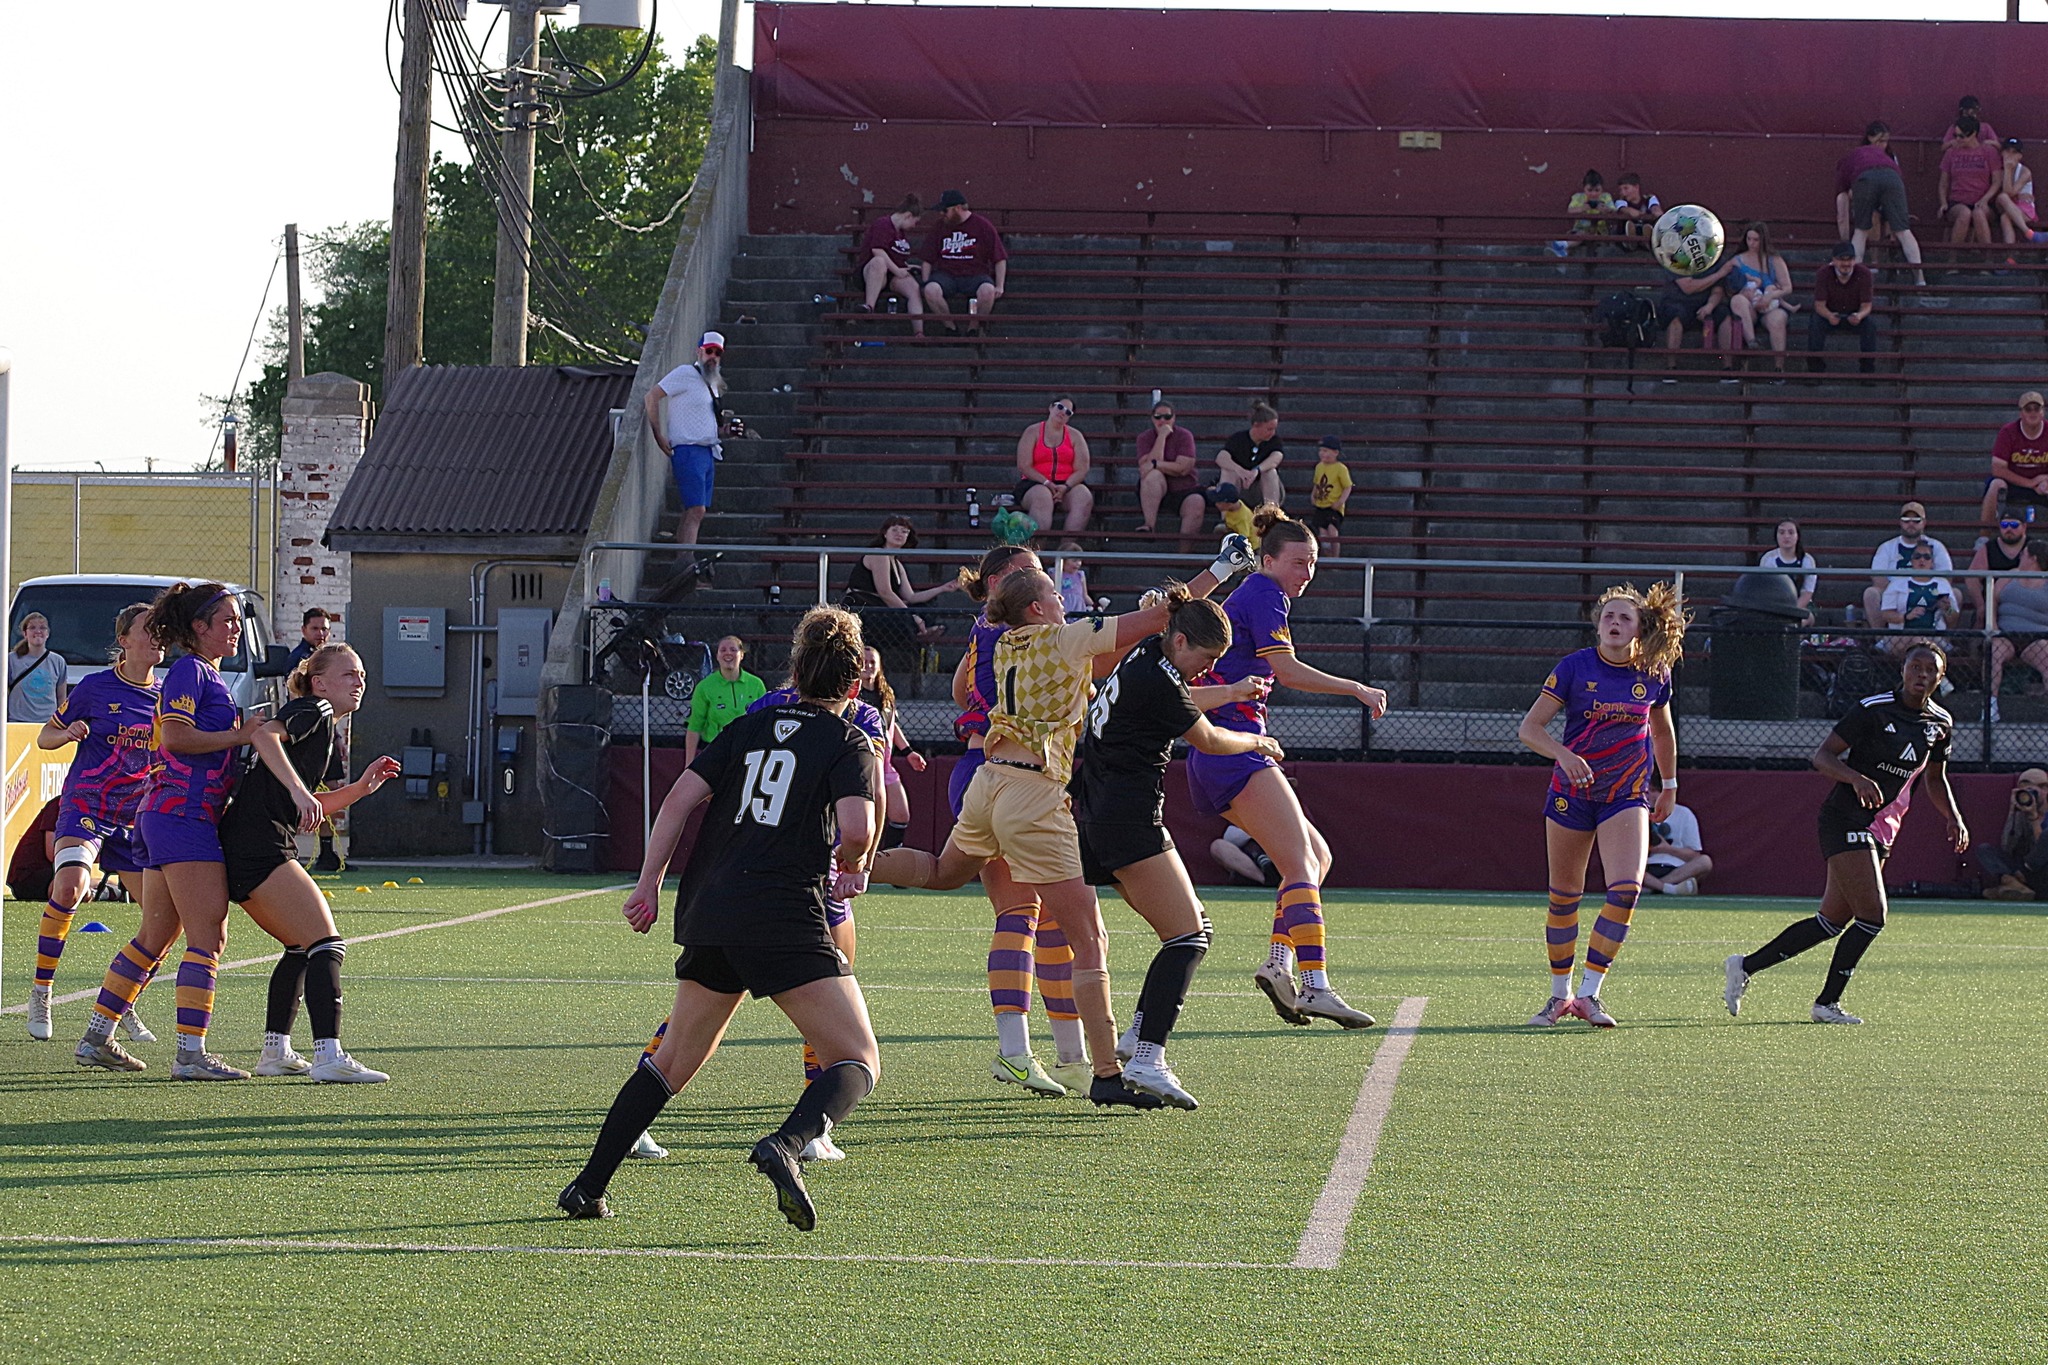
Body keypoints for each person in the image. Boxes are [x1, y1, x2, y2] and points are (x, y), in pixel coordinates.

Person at [872, 536, 1256, 1107]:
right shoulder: (1063, 639)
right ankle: (1105, 1074)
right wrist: (1202, 581)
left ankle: (847, 864)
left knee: (939, 871)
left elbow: (961, 690)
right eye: (1054, 595)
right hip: (1034, 793)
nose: (1063, 601)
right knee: (1089, 940)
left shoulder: (1000, 640)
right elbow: (1159, 621)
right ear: (1037, 607)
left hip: (987, 781)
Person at [558, 607, 882, 1228]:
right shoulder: (848, 741)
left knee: (672, 1061)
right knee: (858, 1059)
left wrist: (649, 884)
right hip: (781, 914)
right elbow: (859, 828)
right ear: (853, 683)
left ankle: (588, 1185)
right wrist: (851, 863)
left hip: (710, 905)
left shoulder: (747, 726)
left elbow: (678, 800)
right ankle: (787, 1144)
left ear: (793, 673)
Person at [1073, 594, 1285, 1109]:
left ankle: (1137, 1038)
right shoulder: (1158, 676)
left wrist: (1229, 690)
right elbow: (1208, 739)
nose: (1207, 669)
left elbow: (1181, 699)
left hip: (1098, 813)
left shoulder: (1149, 651)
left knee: (1190, 931)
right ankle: (1148, 1057)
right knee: (1189, 936)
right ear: (1183, 639)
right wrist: (1257, 742)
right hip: (1127, 818)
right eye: (1206, 659)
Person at [1187, 509, 1387, 1030]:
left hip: (1220, 749)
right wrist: (1357, 688)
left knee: (1316, 858)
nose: (1307, 573)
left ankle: (1279, 963)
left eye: (1313, 563)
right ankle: (1316, 986)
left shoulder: (1258, 593)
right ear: (1269, 560)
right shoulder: (1264, 591)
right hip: (1233, 745)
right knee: (1301, 863)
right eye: (1299, 562)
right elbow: (1288, 670)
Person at [1724, 644, 1965, 1025]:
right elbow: (1822, 756)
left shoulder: (1940, 722)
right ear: (1902, 669)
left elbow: (1936, 778)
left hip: (1883, 826)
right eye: (1914, 666)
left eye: (1930, 669)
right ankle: (1827, 1003)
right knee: (1873, 916)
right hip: (1845, 818)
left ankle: (1744, 966)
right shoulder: (1873, 709)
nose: (1921, 674)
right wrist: (1856, 778)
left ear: (1941, 677)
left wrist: (1953, 816)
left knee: (1831, 921)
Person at [128, 582, 286, 1080]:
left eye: (238, 620)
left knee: (155, 936)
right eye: (228, 620)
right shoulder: (191, 671)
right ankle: (190, 1055)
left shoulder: (204, 673)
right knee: (208, 937)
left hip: (172, 814)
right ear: (200, 627)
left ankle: (96, 1034)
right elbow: (176, 737)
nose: (236, 628)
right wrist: (240, 734)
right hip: (183, 815)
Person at [226, 644, 402, 1082]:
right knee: (327, 944)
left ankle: (275, 1051)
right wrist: (301, 792)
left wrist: (360, 788)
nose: (359, 682)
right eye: (349, 674)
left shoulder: (325, 726)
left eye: (362, 675)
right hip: (258, 843)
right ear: (320, 682)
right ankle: (329, 1056)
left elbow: (311, 803)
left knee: (301, 946)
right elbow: (263, 736)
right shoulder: (315, 708)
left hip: (252, 843)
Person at [948, 544, 1086, 1097]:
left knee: (1050, 921)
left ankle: (1070, 1055)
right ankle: (1016, 1053)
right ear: (1000, 581)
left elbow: (959, 689)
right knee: (1023, 913)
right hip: (1006, 774)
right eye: (1029, 572)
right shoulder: (1021, 632)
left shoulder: (989, 629)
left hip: (992, 770)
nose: (1042, 579)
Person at [1516, 583, 1686, 1028]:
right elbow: (1530, 729)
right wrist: (1564, 755)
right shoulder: (1575, 667)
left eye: (1625, 617)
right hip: (1571, 795)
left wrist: (1669, 785)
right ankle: (1559, 996)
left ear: (1639, 628)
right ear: (1597, 624)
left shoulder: (1654, 671)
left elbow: (1662, 733)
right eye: (1608, 615)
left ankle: (1590, 994)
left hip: (1625, 795)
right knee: (1563, 897)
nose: (1614, 622)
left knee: (1626, 890)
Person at [23, 603, 161, 1044]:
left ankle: (124, 1000)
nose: (157, 636)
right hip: (88, 806)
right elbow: (45, 736)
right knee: (70, 887)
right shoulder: (95, 688)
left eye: (161, 629)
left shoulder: (167, 698)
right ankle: (41, 992)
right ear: (124, 640)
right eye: (148, 629)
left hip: (136, 818)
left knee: (162, 922)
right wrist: (67, 733)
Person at [645, 330, 729, 548]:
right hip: (688, 449)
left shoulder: (712, 384)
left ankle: (683, 558)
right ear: (699, 351)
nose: (713, 357)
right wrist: (658, 435)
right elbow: (652, 396)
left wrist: (727, 431)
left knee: (695, 510)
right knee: (696, 509)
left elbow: (707, 423)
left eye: (717, 353)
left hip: (707, 450)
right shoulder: (685, 373)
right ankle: (686, 558)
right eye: (709, 351)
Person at [842, 515, 961, 663]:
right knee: (907, 618)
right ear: (885, 533)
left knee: (926, 605)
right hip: (864, 607)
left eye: (904, 531)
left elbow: (911, 596)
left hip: (881, 606)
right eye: (895, 530)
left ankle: (920, 632)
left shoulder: (897, 563)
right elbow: (885, 592)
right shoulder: (878, 554)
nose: (899, 534)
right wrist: (911, 617)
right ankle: (918, 633)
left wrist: (942, 588)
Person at [288, 607, 344, 872]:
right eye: (315, 628)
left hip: (326, 732)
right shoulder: (299, 660)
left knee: (331, 788)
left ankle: (328, 850)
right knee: (310, 789)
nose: (321, 634)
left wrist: (337, 735)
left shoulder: (328, 659)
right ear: (303, 630)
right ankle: (296, 848)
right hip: (307, 735)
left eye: (325, 629)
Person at [1839, 122, 1928, 287]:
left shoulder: (1851, 157)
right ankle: (1920, 279)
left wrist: (1843, 238)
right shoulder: (1889, 156)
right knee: (1904, 231)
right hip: (1893, 177)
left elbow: (1842, 198)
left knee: (1860, 231)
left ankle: (1853, 280)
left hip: (1864, 178)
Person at [858, 644, 924, 850]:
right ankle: (862, 858)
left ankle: (889, 859)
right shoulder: (852, 696)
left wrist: (908, 752)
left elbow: (891, 726)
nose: (868, 666)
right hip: (863, 761)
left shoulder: (885, 694)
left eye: (872, 662)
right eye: (863, 662)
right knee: (867, 817)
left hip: (885, 763)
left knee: (901, 814)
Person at [920, 189, 1007, 332]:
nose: (942, 214)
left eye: (945, 210)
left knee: (987, 291)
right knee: (930, 290)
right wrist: (925, 282)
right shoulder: (939, 227)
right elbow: (927, 259)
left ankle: (973, 329)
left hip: (976, 275)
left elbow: (1000, 258)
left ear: (958, 208)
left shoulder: (983, 226)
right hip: (946, 275)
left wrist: (1000, 286)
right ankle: (951, 328)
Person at [1862, 502, 1953, 628]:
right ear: (1900, 522)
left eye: (1916, 520)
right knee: (1871, 593)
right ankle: (1881, 637)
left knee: (1955, 595)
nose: (1911, 524)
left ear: (1924, 522)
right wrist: (1898, 592)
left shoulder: (1936, 546)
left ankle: (1946, 637)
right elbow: (1878, 577)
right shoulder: (1887, 547)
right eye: (1906, 520)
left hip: (1930, 591)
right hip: (1894, 591)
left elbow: (1946, 576)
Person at [1986, 540, 2048, 722]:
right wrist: (1993, 627)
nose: (2020, 556)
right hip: (2005, 635)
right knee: (1993, 652)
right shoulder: (2009, 577)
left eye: (2024, 553)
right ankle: (1990, 705)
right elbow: (1992, 601)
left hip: (2037, 637)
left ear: (2033, 558)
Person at [1016, 396, 1094, 535]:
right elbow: (1024, 465)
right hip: (1035, 483)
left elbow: (1082, 468)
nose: (1062, 412)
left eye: (1068, 412)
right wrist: (1047, 483)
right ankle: (1039, 546)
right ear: (1051, 407)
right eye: (1060, 407)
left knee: (1084, 497)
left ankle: (1067, 545)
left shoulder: (1076, 436)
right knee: (1043, 497)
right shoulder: (1032, 432)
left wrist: (1066, 486)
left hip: (1067, 485)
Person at [684, 635, 767, 765]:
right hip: (715, 751)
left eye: (733, 650)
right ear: (717, 656)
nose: (728, 653)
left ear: (742, 655)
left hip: (747, 752)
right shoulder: (705, 687)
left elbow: (764, 722)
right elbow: (694, 726)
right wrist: (689, 764)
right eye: (723, 650)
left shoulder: (756, 684)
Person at [1727, 223, 1795, 376]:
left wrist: (1769, 296)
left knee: (1778, 319)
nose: (1752, 243)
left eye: (1756, 240)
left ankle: (1779, 367)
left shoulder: (1774, 260)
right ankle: (1752, 342)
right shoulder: (1737, 260)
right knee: (1737, 300)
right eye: (1749, 239)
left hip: (1770, 304)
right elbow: (1727, 282)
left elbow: (1787, 287)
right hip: (1749, 306)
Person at [1136, 399, 1206, 546]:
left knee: (1197, 503)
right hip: (1154, 490)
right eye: (1158, 417)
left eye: (1167, 417)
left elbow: (1182, 468)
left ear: (1174, 418)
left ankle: (1184, 553)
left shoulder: (1184, 435)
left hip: (1185, 488)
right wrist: (1162, 437)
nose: (1162, 421)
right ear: (1152, 418)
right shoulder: (1145, 438)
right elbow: (1145, 469)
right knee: (1153, 476)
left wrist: (1156, 464)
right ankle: (1149, 525)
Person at [1976, 767, 2048, 900]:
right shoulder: (2020, 812)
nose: (2034, 790)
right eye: (2026, 785)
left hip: (2042, 872)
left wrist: (2033, 818)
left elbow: (2042, 850)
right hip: (2019, 870)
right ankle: (2014, 885)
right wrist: (2013, 812)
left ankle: (2006, 888)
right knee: (1984, 849)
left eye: (2041, 786)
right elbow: (2007, 847)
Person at [1808, 241, 1878, 376]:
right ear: (1834, 260)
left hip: (1854, 314)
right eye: (1841, 259)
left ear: (1855, 260)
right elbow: (1819, 305)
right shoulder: (1823, 273)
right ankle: (1815, 370)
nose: (1846, 263)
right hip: (1829, 315)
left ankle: (1867, 370)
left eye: (1849, 259)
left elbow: (1867, 305)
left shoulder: (1864, 273)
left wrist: (1859, 315)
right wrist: (1829, 315)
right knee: (1815, 323)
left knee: (1870, 325)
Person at [859, 195, 926, 332]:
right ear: (908, 216)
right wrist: (896, 270)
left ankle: (919, 332)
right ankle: (869, 306)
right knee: (879, 262)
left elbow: (896, 256)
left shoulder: (900, 232)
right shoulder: (883, 224)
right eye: (915, 221)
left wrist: (907, 267)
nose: (914, 226)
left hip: (892, 274)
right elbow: (877, 250)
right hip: (873, 273)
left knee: (913, 288)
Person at [1982, 390, 2048, 528]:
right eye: (2028, 409)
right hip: (2014, 483)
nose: (2033, 413)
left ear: (2043, 412)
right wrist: (2030, 483)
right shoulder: (2008, 432)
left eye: (2036, 409)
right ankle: (1984, 534)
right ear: (2021, 413)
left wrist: (2045, 480)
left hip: (2042, 483)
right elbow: (1998, 469)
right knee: (1996, 485)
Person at [1655, 257, 1734, 365]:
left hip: (1704, 304)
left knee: (1725, 315)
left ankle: (1727, 366)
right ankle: (1671, 365)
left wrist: (1709, 306)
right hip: (1677, 302)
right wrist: (1719, 274)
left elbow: (1717, 291)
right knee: (1675, 316)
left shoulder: (1715, 260)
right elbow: (1688, 287)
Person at [1878, 543, 1954, 656]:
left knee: (1920, 642)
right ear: (1911, 561)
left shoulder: (1942, 584)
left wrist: (1947, 609)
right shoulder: (1897, 583)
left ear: (1932, 562)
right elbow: (1886, 614)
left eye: (1927, 557)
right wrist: (1905, 617)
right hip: (1900, 636)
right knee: (1917, 641)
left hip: (1934, 637)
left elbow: (1953, 618)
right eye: (1917, 557)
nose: (1922, 560)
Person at [1937, 114, 1998, 246]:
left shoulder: (1989, 152)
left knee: (1978, 213)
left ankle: (1987, 255)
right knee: (1964, 214)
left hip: (1983, 201)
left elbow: (1996, 181)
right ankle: (1953, 256)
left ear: (1974, 134)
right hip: (1957, 202)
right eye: (1956, 136)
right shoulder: (1951, 153)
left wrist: (1985, 199)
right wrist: (1943, 203)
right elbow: (1943, 183)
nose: (1958, 139)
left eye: (1962, 136)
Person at [1215, 402, 1286, 509]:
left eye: (1274, 429)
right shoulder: (1238, 438)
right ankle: (1227, 513)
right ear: (1256, 425)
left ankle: (1271, 513)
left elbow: (1276, 458)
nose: (1272, 433)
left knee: (1270, 472)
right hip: (1241, 486)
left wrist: (1257, 471)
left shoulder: (1274, 441)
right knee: (1228, 471)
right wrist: (1239, 470)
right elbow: (1221, 457)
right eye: (1269, 429)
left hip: (1261, 488)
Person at [1966, 511, 2030, 623]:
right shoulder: (1988, 548)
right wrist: (1981, 605)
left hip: (2026, 603)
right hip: (1993, 603)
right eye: (2004, 525)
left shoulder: (2033, 547)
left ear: (2024, 527)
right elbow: (1972, 578)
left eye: (2014, 525)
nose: (2009, 529)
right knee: (1979, 619)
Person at [9, 612, 68, 725]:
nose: (38, 631)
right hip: (18, 722)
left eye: (42, 628)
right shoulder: (11, 660)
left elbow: (61, 698)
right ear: (25, 634)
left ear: (47, 633)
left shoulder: (58, 661)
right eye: (32, 628)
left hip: (48, 724)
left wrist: (60, 724)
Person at [1644, 803, 1712, 895]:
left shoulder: (1684, 813)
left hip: (1676, 870)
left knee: (1705, 861)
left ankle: (1656, 887)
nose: (1649, 796)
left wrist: (1667, 849)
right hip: (1647, 868)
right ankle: (1669, 889)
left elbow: (1694, 855)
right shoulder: (1637, 812)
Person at [1759, 519, 1818, 619]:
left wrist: (1791, 612)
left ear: (1797, 536)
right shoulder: (1768, 559)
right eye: (1782, 532)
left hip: (1801, 606)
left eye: (1791, 532)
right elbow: (1765, 589)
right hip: (1775, 606)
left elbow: (1807, 592)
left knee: (1803, 620)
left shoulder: (1807, 560)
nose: (1786, 536)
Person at [1303, 436, 1353, 555]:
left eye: (1325, 451)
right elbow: (1317, 483)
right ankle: (1328, 555)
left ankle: (1335, 557)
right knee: (1322, 533)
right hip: (1321, 505)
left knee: (1332, 531)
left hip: (1333, 506)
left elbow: (1347, 486)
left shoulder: (1340, 468)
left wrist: (1340, 502)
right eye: (1320, 450)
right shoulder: (1319, 466)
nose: (1322, 453)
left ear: (1335, 452)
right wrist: (1313, 495)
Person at [6, 798, 60, 905]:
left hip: (46, 875)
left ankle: (93, 889)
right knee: (73, 883)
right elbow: (52, 853)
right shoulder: (59, 805)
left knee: (76, 879)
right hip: (28, 877)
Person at [1553, 170, 1613, 255]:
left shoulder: (1606, 197)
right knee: (1579, 235)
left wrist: (1605, 210)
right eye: (1590, 190)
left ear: (1602, 189)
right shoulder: (1578, 197)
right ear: (1584, 189)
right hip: (1580, 230)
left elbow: (1613, 212)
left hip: (1600, 232)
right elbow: (1569, 211)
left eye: (1597, 190)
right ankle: (1562, 249)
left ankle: (1562, 246)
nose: (1593, 194)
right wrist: (1581, 208)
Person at [1994, 138, 2039, 253]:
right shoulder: (1998, 170)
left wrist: (2008, 169)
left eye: (2014, 152)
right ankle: (2028, 233)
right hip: (2004, 205)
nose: (2010, 155)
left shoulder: (2024, 171)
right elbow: (2007, 195)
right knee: (2002, 198)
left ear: (2020, 156)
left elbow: (2009, 192)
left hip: (2024, 210)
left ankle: (2011, 255)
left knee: (2005, 217)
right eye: (2007, 151)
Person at [1210, 823, 1278, 886]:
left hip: (1275, 855)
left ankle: (1272, 871)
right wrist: (1257, 832)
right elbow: (1230, 836)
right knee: (1218, 845)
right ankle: (1267, 880)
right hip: (1248, 860)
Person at [1610, 171, 1660, 242]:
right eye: (1620, 190)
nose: (1623, 193)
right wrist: (1630, 211)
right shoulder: (1621, 201)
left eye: (1626, 188)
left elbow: (1656, 209)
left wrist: (1655, 210)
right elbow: (1624, 209)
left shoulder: (1649, 199)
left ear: (1636, 187)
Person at [1055, 541, 1091, 614]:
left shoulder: (1080, 575)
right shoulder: (1055, 573)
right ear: (1063, 560)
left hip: (1078, 607)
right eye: (1074, 561)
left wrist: (1094, 605)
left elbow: (1085, 595)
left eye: (1080, 560)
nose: (1078, 563)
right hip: (1063, 606)